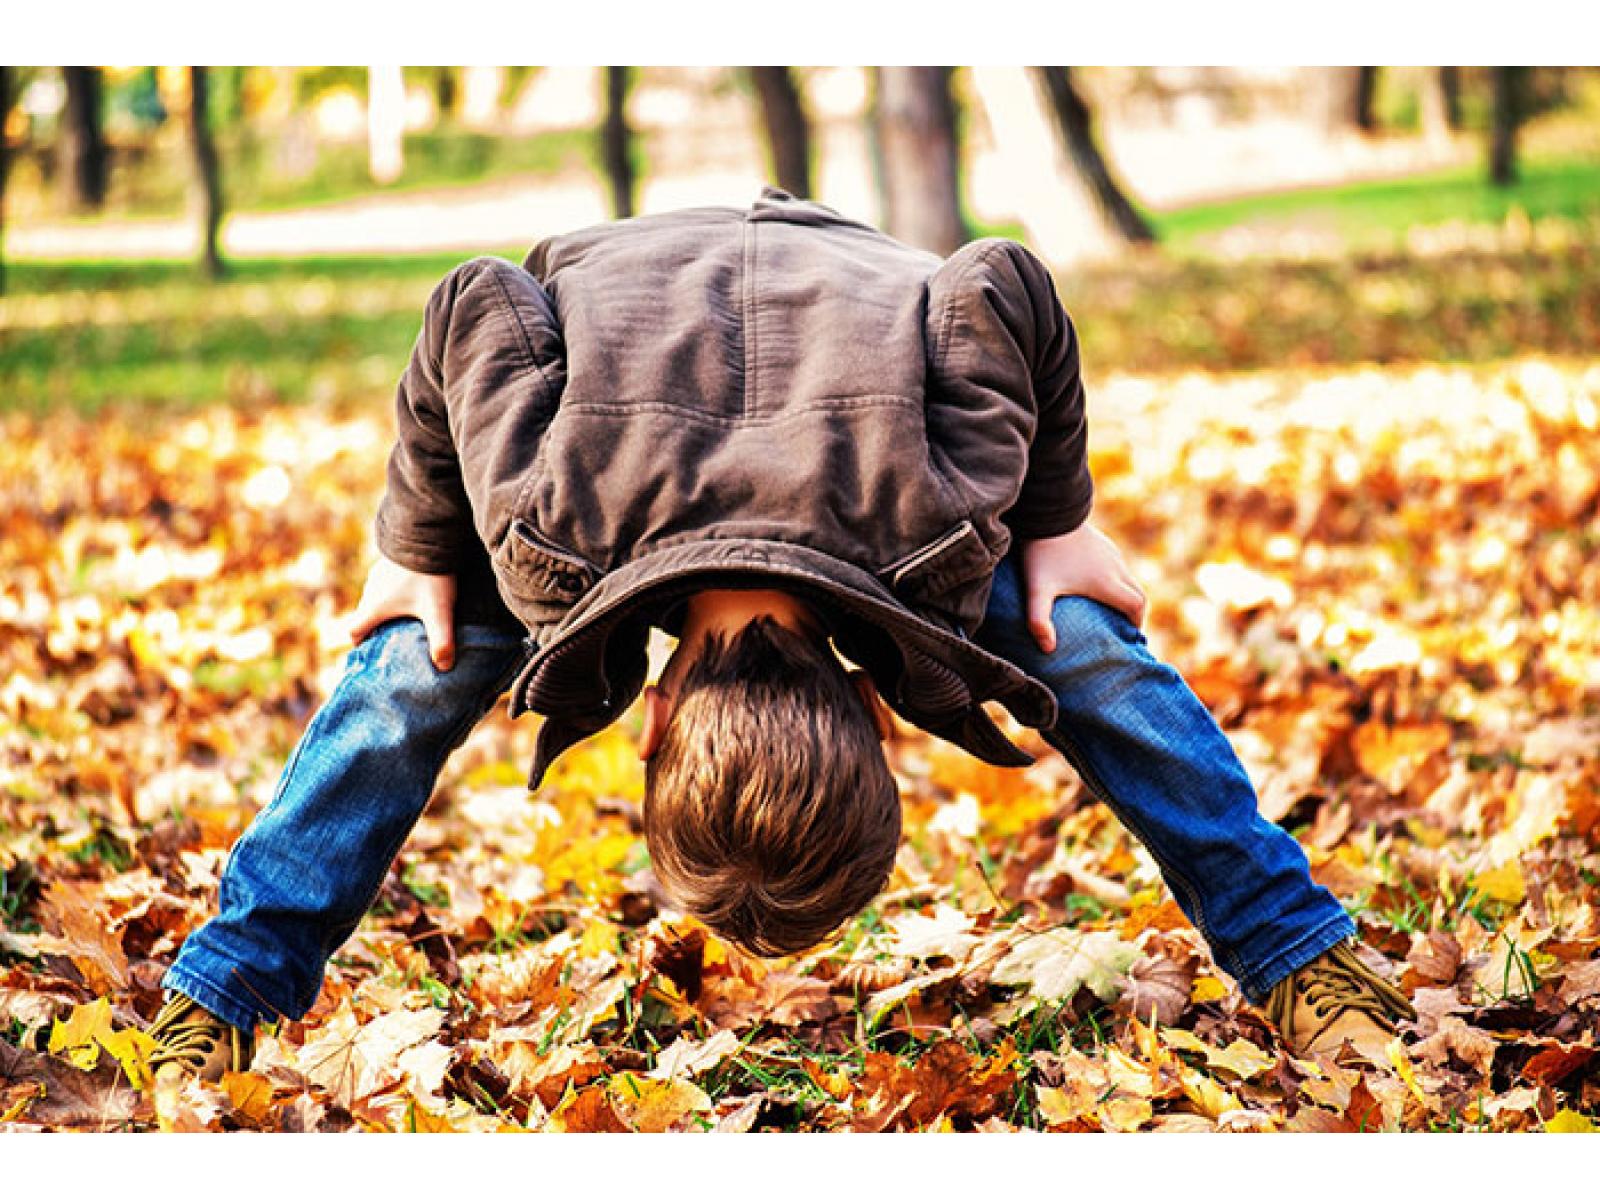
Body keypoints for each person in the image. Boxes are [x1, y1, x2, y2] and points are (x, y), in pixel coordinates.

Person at [144, 187, 1412, 1082]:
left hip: (827, 289)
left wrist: (1055, 528)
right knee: (417, 658)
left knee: (1067, 630)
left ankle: (1296, 952)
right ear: (653, 721)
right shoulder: (552, 530)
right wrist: (413, 554)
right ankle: (228, 988)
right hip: (659, 328)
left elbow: (1000, 284)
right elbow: (473, 304)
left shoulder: (932, 524)